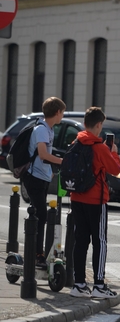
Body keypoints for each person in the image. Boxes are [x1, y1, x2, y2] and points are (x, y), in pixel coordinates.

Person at [69, 107, 120, 299]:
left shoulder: (76, 142)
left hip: (76, 198)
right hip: (96, 200)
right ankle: (99, 285)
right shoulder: (100, 148)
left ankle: (79, 284)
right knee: (99, 241)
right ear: (99, 125)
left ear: (85, 123)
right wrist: (114, 153)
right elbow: (115, 170)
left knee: (80, 240)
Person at [23, 97, 65, 268]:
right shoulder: (41, 130)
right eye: (62, 112)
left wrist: (51, 172)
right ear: (57, 113)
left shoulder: (48, 129)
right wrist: (63, 162)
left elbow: (45, 155)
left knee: (40, 215)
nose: (62, 116)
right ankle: (35, 254)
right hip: (34, 177)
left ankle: (36, 253)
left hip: (42, 177)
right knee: (40, 214)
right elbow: (43, 154)